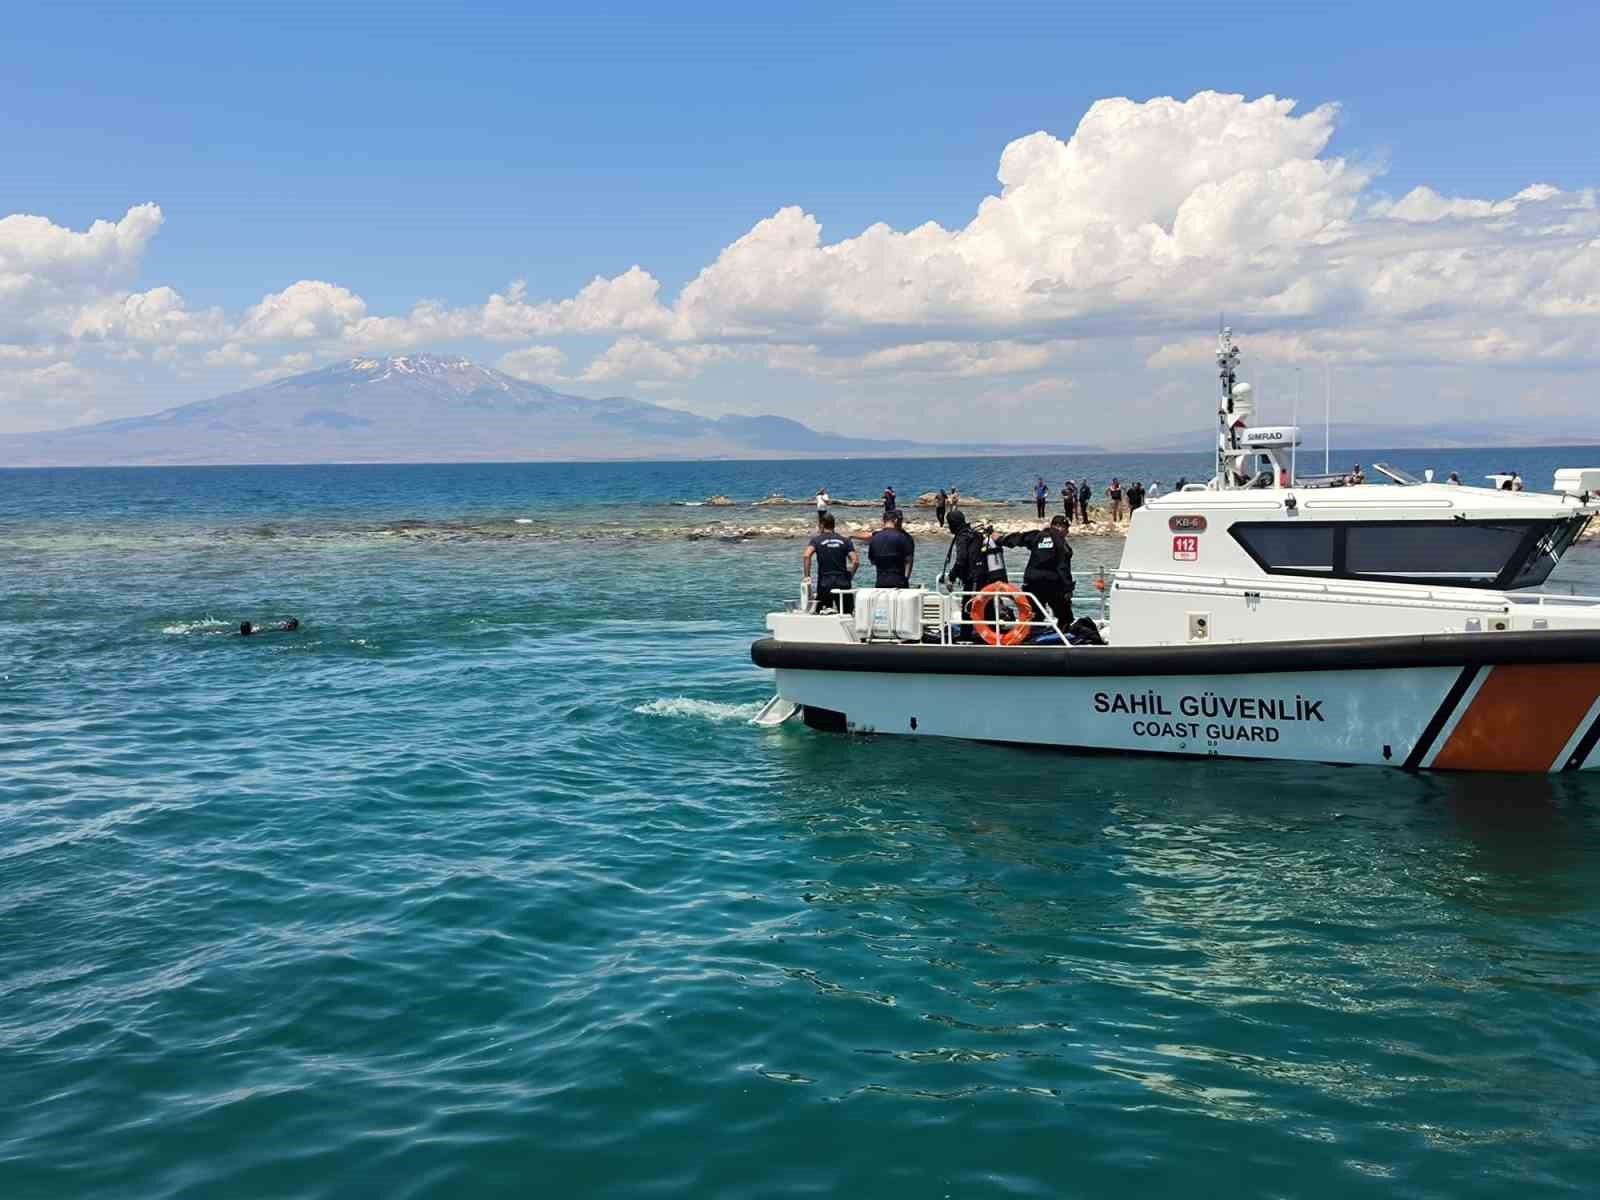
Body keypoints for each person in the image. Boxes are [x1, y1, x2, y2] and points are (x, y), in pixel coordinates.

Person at [1003, 514, 1074, 626]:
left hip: (1032, 583)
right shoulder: (1060, 542)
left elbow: (1019, 538)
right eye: (1066, 528)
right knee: (1065, 617)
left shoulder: (1037, 535)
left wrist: (1001, 540)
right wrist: (1068, 588)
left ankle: (1033, 634)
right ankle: (1062, 634)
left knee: (1036, 615)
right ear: (1059, 526)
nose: (1067, 532)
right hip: (1052, 585)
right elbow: (1063, 567)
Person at [804, 514, 857, 613]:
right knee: (847, 614)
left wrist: (807, 576)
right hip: (843, 582)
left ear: (822, 525)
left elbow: (807, 556)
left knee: (822, 614)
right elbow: (855, 561)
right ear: (834, 525)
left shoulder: (816, 540)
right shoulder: (845, 540)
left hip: (825, 583)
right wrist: (850, 576)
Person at [868, 510, 915, 587]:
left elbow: (872, 561)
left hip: (880, 582)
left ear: (883, 520)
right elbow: (909, 561)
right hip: (899, 582)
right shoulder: (905, 537)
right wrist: (906, 579)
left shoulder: (875, 538)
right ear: (896, 520)